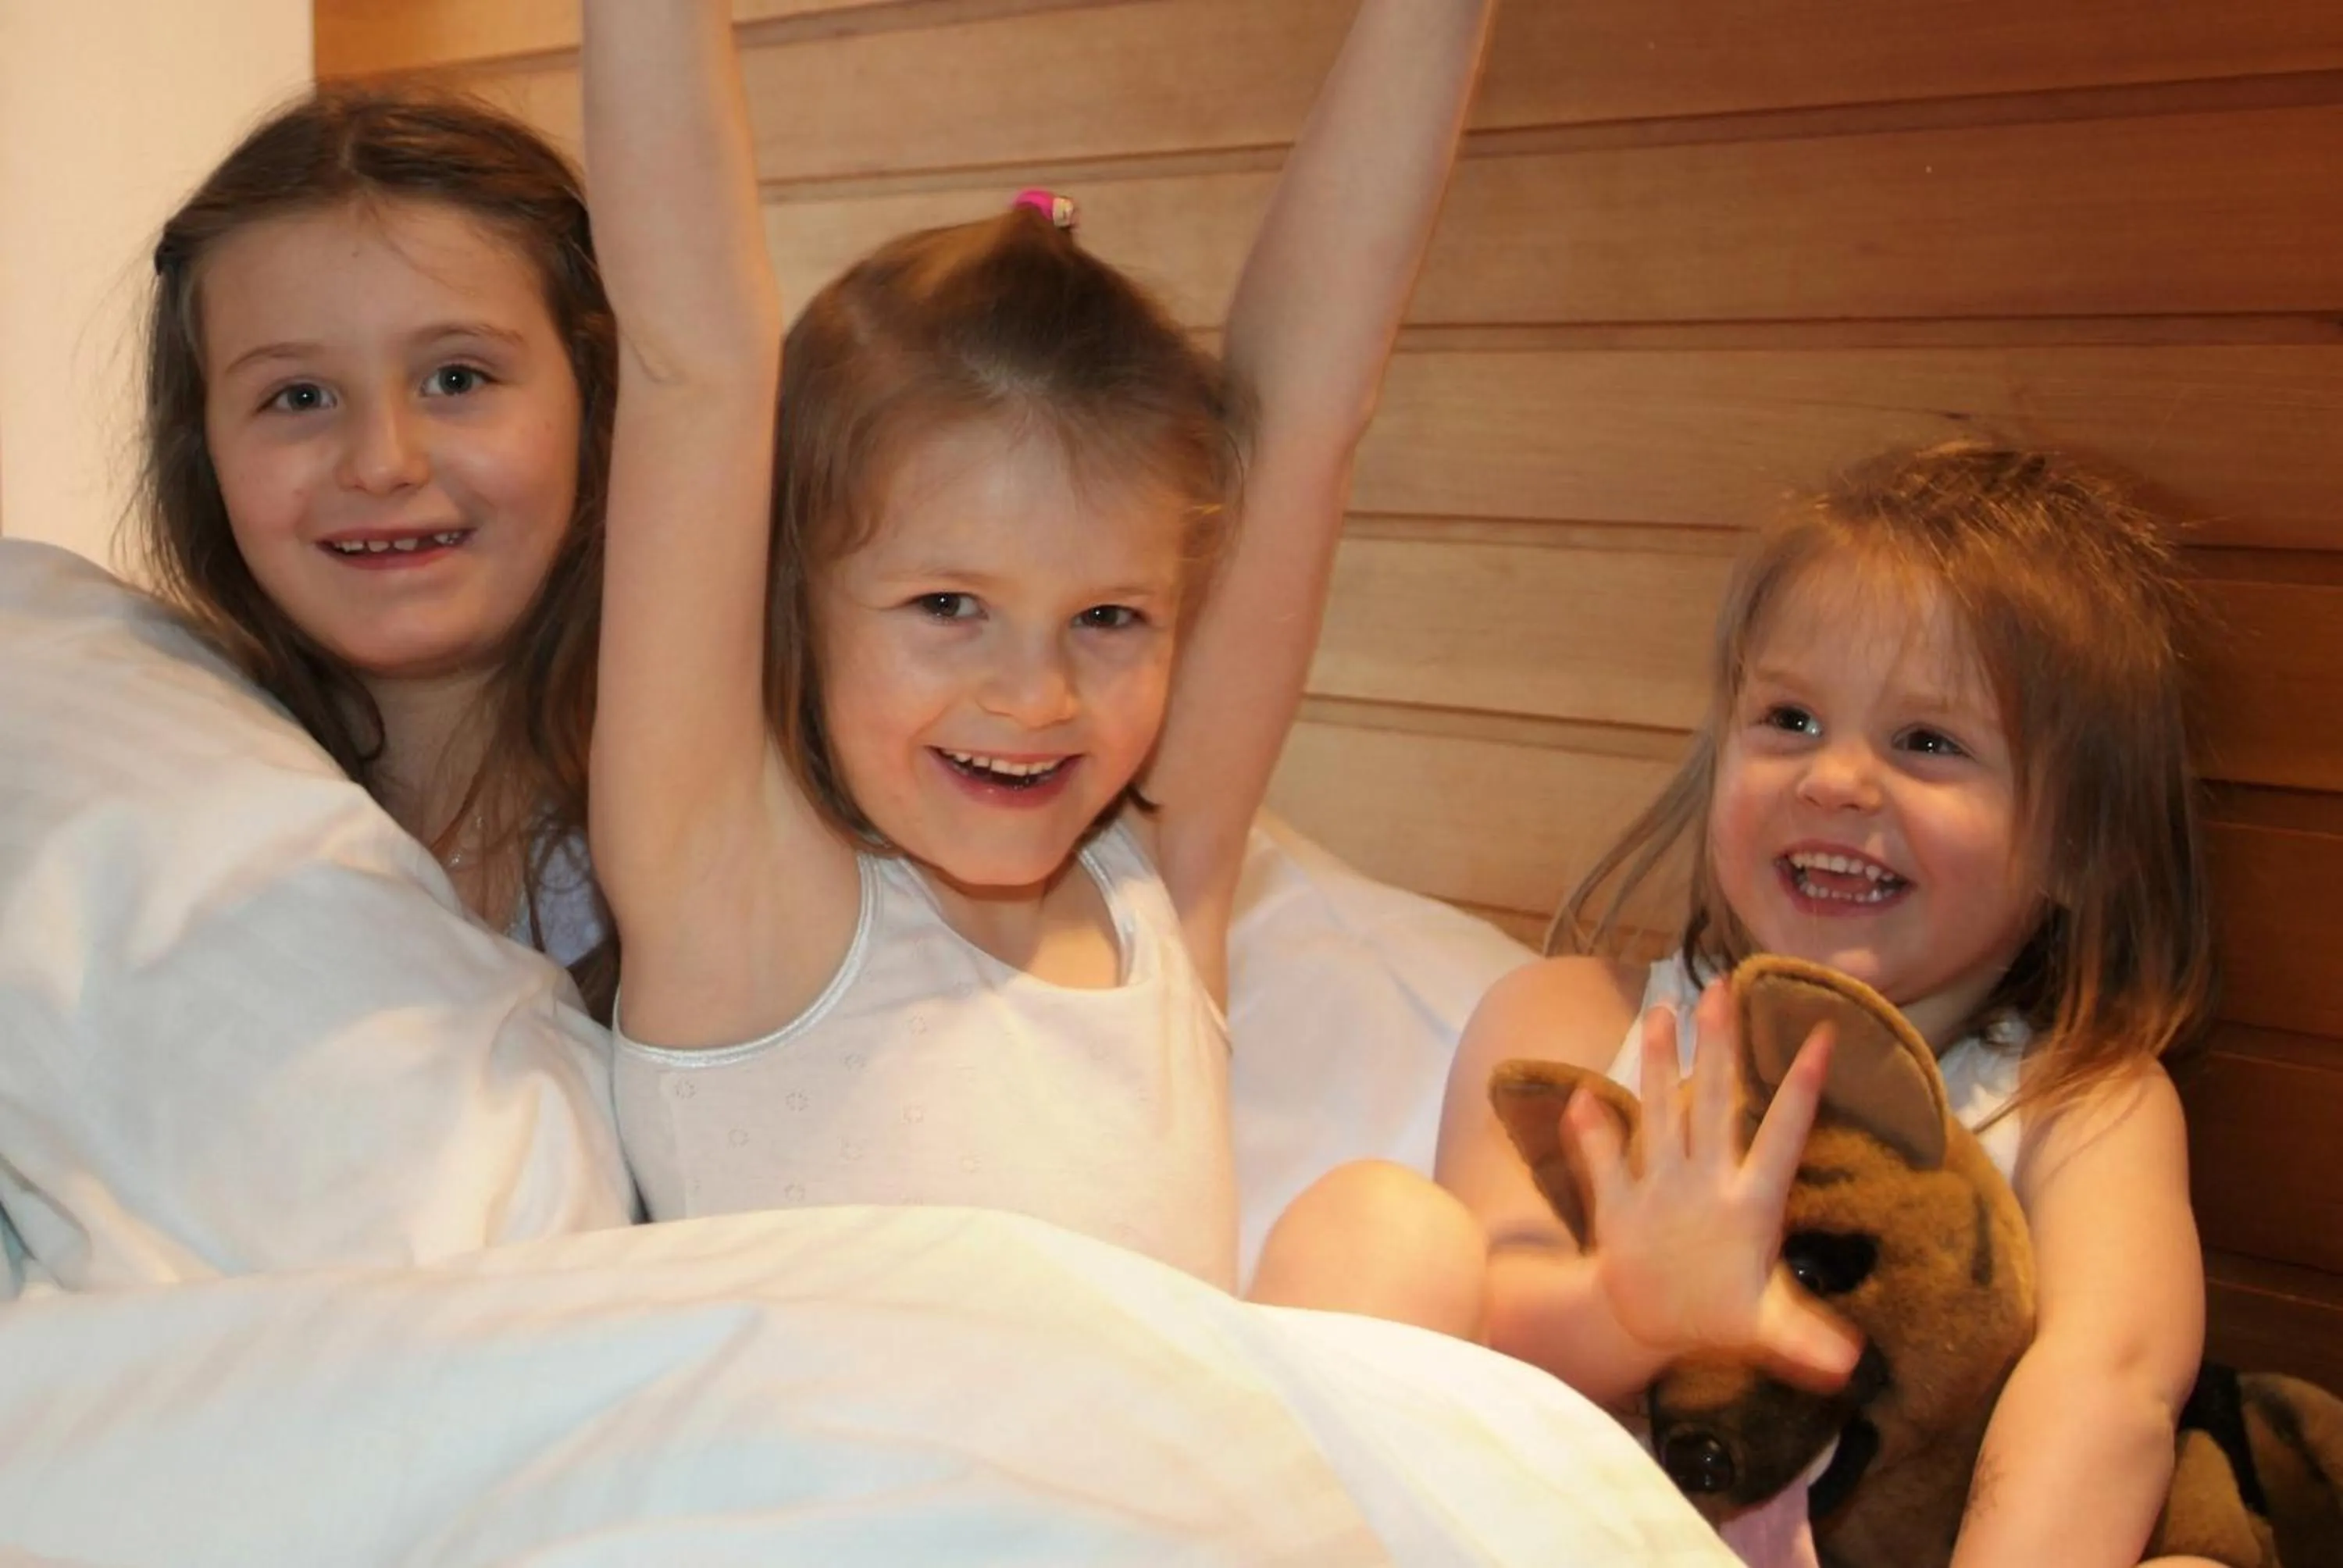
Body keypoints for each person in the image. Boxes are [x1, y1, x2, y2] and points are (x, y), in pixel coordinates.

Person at [582, 0, 1495, 1290]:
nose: (1036, 694)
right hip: (869, 1478)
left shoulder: (1160, 885)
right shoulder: (740, 892)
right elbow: (696, 363)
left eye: (1110, 618)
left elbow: (1308, 411)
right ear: (795, 600)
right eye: (947, 606)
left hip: (1172, 1483)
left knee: (1397, 1230)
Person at [1263, 443, 2218, 1566]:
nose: (1836, 779)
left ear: (2076, 843)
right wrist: (1632, 1309)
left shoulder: (2079, 1104)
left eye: (1928, 742)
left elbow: (2110, 1390)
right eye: (1790, 720)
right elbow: (1479, 1330)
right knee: (1373, 1223)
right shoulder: (1573, 1021)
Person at [138, 89, 617, 1011]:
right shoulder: (161, 822)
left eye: (457, 377)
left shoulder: (719, 806)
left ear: (592, 400)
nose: (382, 462)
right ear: (204, 449)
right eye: (300, 397)